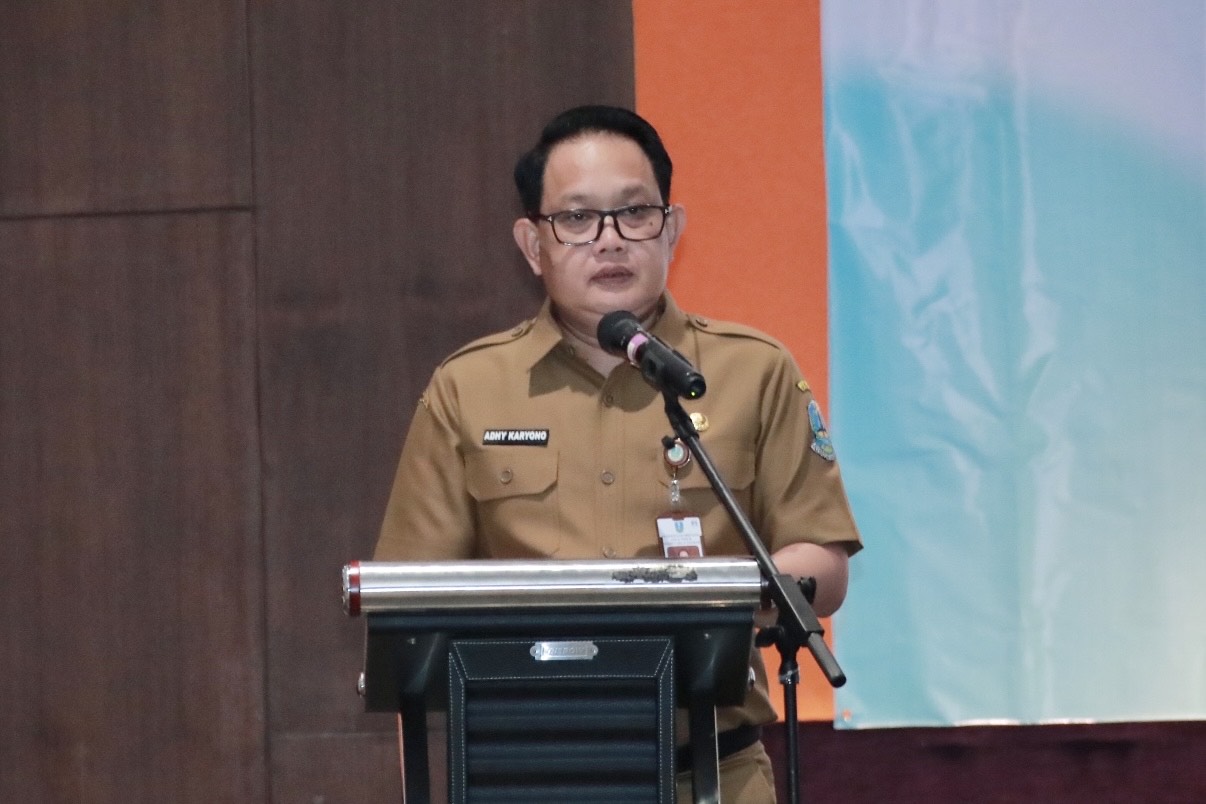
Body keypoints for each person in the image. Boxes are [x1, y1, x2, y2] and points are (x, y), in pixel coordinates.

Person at [375, 104, 862, 803]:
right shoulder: (468, 389)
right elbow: (407, 607)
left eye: (634, 213)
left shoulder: (754, 371)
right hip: (525, 773)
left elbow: (823, 564)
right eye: (577, 218)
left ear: (673, 229)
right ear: (532, 244)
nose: (609, 240)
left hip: (713, 772)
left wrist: (712, 600)